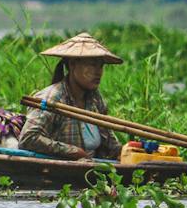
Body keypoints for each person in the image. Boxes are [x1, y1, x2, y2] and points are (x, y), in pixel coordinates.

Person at [19, 33, 124, 161]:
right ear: (73, 64)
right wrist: (72, 151)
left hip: (93, 170)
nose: (98, 72)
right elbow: (28, 138)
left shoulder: (95, 99)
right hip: (57, 171)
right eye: (92, 65)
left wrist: (123, 152)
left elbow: (109, 141)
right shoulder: (52, 98)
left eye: (101, 66)